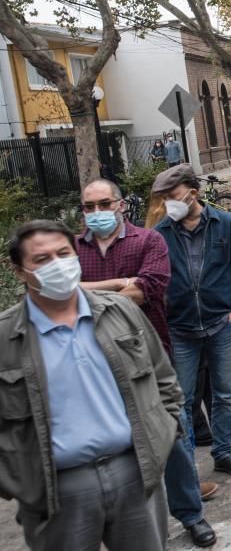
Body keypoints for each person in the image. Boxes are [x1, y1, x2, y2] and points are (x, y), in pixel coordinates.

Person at [0, 220, 181, 551]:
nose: (57, 265)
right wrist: (20, 483)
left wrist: (163, 435)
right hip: (56, 491)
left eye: (63, 253)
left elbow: (163, 377)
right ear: (19, 271)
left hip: (135, 473)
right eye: (42, 259)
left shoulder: (121, 312)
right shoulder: (5, 337)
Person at [76, 180, 217, 547]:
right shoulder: (72, 250)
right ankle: (133, 529)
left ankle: (191, 515)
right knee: (114, 450)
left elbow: (144, 291)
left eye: (103, 204)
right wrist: (120, 282)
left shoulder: (149, 241)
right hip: (92, 366)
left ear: (120, 205)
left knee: (171, 437)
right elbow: (62, 296)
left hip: (147, 358)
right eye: (88, 207)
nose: (96, 213)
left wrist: (88, 292)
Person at [152, 164, 231, 479]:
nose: (165, 205)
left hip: (220, 324)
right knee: (182, 401)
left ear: (192, 193)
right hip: (181, 330)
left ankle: (223, 453)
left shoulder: (226, 224)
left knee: (224, 394)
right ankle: (187, 470)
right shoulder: (160, 234)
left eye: (171, 196)